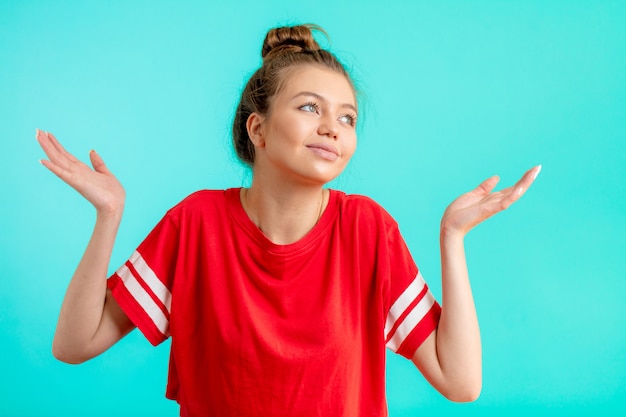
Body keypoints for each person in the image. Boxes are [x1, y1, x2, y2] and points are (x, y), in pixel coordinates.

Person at [37, 24, 540, 417]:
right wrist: (109, 215)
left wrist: (452, 238)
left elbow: (460, 381)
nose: (332, 128)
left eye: (347, 117)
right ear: (257, 127)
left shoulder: (367, 230)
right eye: (309, 107)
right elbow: (75, 344)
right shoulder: (197, 223)